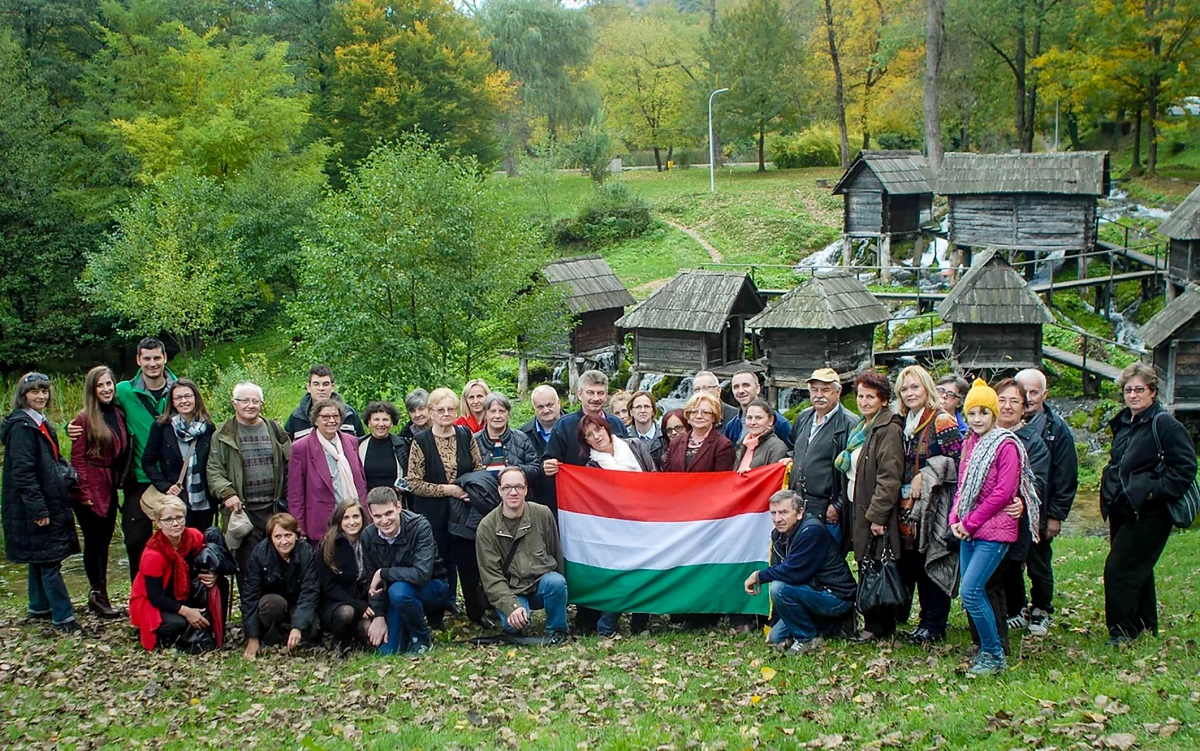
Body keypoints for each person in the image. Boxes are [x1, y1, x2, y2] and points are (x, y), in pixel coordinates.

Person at [1100, 363, 1197, 645]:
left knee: (1118, 569)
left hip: (1150, 512)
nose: (1133, 395)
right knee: (1137, 568)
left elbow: (1185, 467)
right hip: (1124, 508)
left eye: (1139, 389)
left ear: (1153, 392)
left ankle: (1122, 631)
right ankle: (1145, 625)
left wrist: (1153, 492)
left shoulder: (1163, 423)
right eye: (1128, 390)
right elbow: (1119, 462)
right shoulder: (1126, 422)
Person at [949, 379, 1036, 676]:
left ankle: (993, 653)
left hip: (994, 531)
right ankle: (988, 649)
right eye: (972, 413)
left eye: (984, 413)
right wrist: (954, 519)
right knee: (970, 591)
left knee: (973, 591)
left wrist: (970, 522)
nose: (977, 419)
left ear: (994, 414)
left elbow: (1003, 492)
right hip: (969, 530)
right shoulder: (969, 443)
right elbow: (962, 486)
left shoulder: (1006, 444)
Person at [2, 372, 82, 634]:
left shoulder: (40, 422)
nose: (41, 396)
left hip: (48, 497)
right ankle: (64, 618)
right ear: (23, 396)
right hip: (34, 505)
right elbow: (23, 474)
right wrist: (38, 509)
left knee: (39, 556)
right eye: (34, 392)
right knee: (50, 560)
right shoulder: (22, 428)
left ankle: (38, 606)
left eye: (44, 391)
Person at [895, 365, 962, 644]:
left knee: (932, 559)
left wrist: (929, 472)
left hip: (936, 504)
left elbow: (960, 462)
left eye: (915, 387)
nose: (910, 393)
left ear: (927, 389)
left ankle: (934, 625)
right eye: (904, 388)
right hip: (908, 504)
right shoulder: (903, 422)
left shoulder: (941, 420)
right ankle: (923, 621)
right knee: (912, 561)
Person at [744, 490, 856, 655]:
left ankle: (808, 639)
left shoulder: (811, 531)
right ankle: (828, 627)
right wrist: (776, 622)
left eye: (783, 512)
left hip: (836, 596)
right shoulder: (779, 535)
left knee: (779, 588)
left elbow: (793, 572)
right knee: (775, 637)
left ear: (799, 513)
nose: (777, 519)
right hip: (809, 592)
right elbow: (781, 572)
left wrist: (758, 576)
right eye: (773, 513)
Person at [406, 387, 485, 623]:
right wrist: (447, 490)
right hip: (433, 513)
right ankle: (436, 616)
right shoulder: (421, 441)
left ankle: (476, 612)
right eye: (440, 410)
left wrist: (471, 490)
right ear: (431, 412)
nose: (446, 414)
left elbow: (478, 469)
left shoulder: (465, 434)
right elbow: (413, 483)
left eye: (450, 409)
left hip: (463, 511)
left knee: (469, 564)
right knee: (437, 564)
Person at [837, 370, 904, 640]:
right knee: (865, 562)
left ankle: (878, 626)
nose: (864, 402)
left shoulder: (888, 429)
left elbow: (889, 477)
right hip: (857, 504)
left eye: (870, 397)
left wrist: (878, 516)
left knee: (878, 563)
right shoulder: (861, 429)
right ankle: (873, 623)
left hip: (874, 510)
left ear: (884, 400)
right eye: (860, 396)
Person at [1010, 368, 1078, 636]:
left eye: (1034, 392)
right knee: (1011, 561)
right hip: (1011, 511)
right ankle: (1017, 608)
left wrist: (1056, 515)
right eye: (1022, 392)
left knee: (1038, 563)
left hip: (1040, 510)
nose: (1027, 398)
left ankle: (1042, 608)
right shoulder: (1006, 423)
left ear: (1044, 394)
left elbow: (1066, 476)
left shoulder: (1056, 429)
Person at [112, 337, 179, 582]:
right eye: (147, 359)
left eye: (157, 358)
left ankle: (174, 595)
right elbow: (97, 409)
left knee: (178, 540)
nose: (152, 364)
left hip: (174, 479)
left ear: (165, 359)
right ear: (138, 360)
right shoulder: (124, 391)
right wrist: (73, 426)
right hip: (139, 478)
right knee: (135, 540)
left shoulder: (179, 389)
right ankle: (141, 599)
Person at [476, 467, 569, 643]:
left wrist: (561, 596)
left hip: (541, 583)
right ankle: (513, 614)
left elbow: (555, 554)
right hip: (510, 590)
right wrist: (511, 606)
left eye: (519, 487)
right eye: (507, 487)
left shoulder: (542, 514)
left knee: (556, 582)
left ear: (526, 489)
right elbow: (491, 577)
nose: (513, 492)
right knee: (514, 625)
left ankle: (557, 630)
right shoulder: (486, 527)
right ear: (499, 490)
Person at [207, 382, 291, 573]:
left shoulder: (275, 430)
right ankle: (250, 603)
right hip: (242, 513)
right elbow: (214, 470)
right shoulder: (222, 435)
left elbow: (291, 465)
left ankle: (275, 603)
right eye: (244, 400)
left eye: (255, 401)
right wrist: (227, 493)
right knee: (248, 568)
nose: (250, 405)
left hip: (274, 509)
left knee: (279, 564)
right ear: (234, 403)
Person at [992, 378, 1050, 649]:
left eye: (1014, 401)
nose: (1007, 406)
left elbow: (1036, 479)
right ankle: (1006, 616)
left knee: (1012, 567)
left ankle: (1014, 616)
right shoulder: (982, 433)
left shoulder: (1032, 441)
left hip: (1016, 518)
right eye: (1002, 399)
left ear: (1024, 408)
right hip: (984, 518)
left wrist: (1023, 501)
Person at [69, 365, 132, 619]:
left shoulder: (117, 413)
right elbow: (77, 458)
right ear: (92, 389)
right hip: (90, 484)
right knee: (94, 542)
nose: (106, 389)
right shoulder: (85, 418)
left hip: (109, 482)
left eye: (109, 384)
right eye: (100, 385)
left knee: (105, 540)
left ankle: (100, 592)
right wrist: (83, 491)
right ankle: (98, 593)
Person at [361, 487, 449, 655]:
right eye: (378, 516)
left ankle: (421, 638)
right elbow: (372, 583)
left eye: (389, 513)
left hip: (432, 585)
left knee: (399, 591)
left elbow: (422, 574)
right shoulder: (368, 536)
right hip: (396, 595)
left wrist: (383, 573)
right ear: (370, 514)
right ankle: (405, 629)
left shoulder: (419, 527)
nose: (384, 520)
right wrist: (379, 615)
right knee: (388, 651)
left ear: (399, 507)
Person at [129, 499, 225, 651]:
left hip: (183, 591)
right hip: (152, 600)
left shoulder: (193, 536)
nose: (175, 524)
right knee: (177, 624)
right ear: (158, 523)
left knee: (218, 585)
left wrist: (214, 574)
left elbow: (211, 560)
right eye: (168, 519)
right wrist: (187, 612)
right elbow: (156, 597)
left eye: (179, 517)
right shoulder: (153, 555)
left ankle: (214, 631)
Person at [542, 371, 627, 513]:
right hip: (580, 505)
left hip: (616, 503)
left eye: (600, 393)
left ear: (606, 395)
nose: (596, 398)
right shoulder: (564, 426)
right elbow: (549, 460)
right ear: (580, 394)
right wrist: (548, 466)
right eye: (590, 393)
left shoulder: (616, 424)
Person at [241, 513, 321, 659]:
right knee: (271, 605)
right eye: (278, 537)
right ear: (271, 538)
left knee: (313, 627)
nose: (284, 541)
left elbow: (310, 591)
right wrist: (252, 637)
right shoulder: (260, 553)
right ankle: (272, 636)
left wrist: (298, 626)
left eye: (288, 535)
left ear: (296, 535)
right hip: (274, 602)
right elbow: (250, 595)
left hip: (297, 602)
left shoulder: (306, 552)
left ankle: (295, 635)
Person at [790, 369, 856, 544]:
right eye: (814, 390)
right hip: (799, 504)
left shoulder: (850, 424)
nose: (819, 395)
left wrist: (838, 506)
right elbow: (792, 447)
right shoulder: (804, 417)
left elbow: (855, 471)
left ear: (838, 392)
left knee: (827, 564)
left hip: (827, 509)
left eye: (825, 390)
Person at [289, 399, 368, 545]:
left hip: (354, 519)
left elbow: (361, 481)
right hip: (322, 522)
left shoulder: (351, 441)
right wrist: (299, 528)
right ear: (315, 421)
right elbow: (296, 493)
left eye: (335, 416)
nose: (331, 421)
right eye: (325, 417)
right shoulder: (301, 447)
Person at [142, 379, 215, 531]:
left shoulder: (208, 427)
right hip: (177, 498)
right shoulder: (161, 427)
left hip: (204, 498)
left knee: (202, 541)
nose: (184, 401)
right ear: (172, 402)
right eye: (178, 398)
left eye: (188, 396)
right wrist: (165, 486)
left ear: (196, 398)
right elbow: (148, 461)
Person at [316, 499, 371, 651]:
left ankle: (358, 639)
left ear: (362, 518)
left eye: (356, 517)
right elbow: (328, 586)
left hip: (364, 601)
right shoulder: (329, 544)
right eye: (346, 518)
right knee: (346, 613)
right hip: (336, 602)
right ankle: (340, 643)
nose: (351, 522)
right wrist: (357, 605)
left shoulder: (370, 539)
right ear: (339, 520)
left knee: (369, 634)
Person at [283, 365, 364, 441]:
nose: (321, 388)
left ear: (332, 387)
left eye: (325, 384)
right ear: (308, 387)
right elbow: (287, 450)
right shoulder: (297, 417)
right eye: (316, 384)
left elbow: (361, 446)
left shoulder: (348, 414)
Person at [475, 393, 541, 481]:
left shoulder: (521, 438)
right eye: (493, 411)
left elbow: (535, 470)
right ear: (485, 415)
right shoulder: (474, 441)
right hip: (483, 493)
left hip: (515, 493)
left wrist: (515, 470)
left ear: (508, 414)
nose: (497, 416)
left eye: (502, 411)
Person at [662, 391, 735, 473]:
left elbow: (722, 480)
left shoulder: (723, 445)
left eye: (705, 412)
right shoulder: (676, 442)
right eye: (694, 412)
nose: (699, 416)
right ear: (688, 417)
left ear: (714, 417)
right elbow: (667, 475)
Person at [724, 370, 793, 447]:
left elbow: (792, 451)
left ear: (757, 388)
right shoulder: (732, 426)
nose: (741, 391)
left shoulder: (779, 423)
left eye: (746, 385)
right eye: (736, 387)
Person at [359, 401, 411, 492]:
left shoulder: (402, 446)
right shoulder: (358, 446)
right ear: (368, 423)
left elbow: (411, 476)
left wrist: (405, 486)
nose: (381, 424)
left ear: (391, 423)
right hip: (367, 502)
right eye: (376, 419)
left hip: (395, 502)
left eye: (385, 420)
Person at [733, 399, 790, 474]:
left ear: (770, 420)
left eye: (758, 418)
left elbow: (773, 479)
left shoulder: (777, 448)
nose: (753, 422)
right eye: (749, 418)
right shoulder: (740, 445)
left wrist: (751, 476)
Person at [520, 385, 562, 459]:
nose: (546, 411)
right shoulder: (522, 435)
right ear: (534, 408)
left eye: (549, 405)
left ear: (558, 403)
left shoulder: (576, 426)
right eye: (540, 407)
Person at [628, 391, 666, 469]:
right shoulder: (625, 438)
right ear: (631, 412)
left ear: (653, 411)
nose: (642, 410)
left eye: (647, 406)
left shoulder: (665, 436)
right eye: (638, 407)